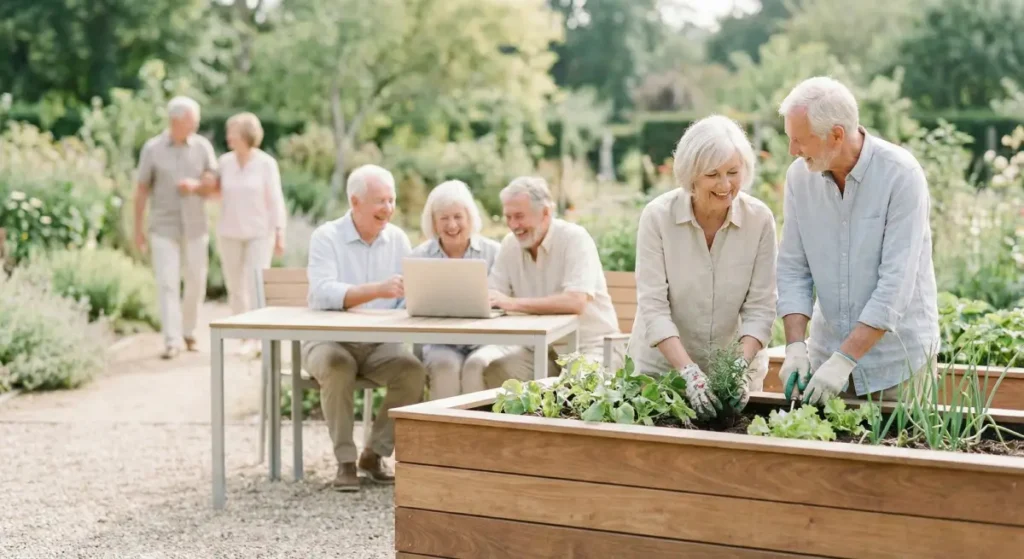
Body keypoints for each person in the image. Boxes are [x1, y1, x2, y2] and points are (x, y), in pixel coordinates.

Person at [775, 76, 939, 406]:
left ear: (836, 135)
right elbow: (794, 268)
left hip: (897, 367)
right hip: (823, 361)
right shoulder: (799, 178)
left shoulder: (900, 175)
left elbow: (895, 285)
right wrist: (795, 347)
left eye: (799, 140)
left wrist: (845, 359)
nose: (792, 151)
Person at [627, 115, 778, 420]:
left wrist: (738, 368)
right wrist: (689, 374)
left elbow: (761, 308)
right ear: (691, 175)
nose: (726, 185)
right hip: (661, 375)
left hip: (733, 380)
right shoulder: (658, 218)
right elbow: (653, 308)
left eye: (733, 172)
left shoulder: (759, 220)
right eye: (713, 174)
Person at [302, 164, 427, 491]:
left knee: (412, 371)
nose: (388, 209)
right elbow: (321, 292)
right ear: (355, 202)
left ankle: (374, 454)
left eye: (391, 200)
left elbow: (407, 296)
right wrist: (376, 290)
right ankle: (345, 461)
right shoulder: (327, 237)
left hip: (378, 344)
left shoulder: (398, 239)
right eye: (379, 201)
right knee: (337, 366)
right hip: (328, 341)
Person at [482, 176, 621, 388]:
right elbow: (493, 295)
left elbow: (576, 301)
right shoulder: (510, 245)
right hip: (543, 351)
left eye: (519, 216)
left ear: (546, 213)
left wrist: (512, 303)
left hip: (591, 348)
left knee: (573, 387)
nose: (513, 225)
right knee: (496, 370)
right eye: (508, 217)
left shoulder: (574, 238)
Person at [134, 96, 218, 359]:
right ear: (176, 121)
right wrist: (137, 229)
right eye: (192, 121)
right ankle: (172, 340)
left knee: (195, 281)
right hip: (163, 226)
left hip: (195, 226)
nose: (196, 125)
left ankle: (189, 332)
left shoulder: (202, 147)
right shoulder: (153, 148)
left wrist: (197, 185)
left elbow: (213, 184)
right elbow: (141, 190)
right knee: (167, 283)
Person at [408, 180, 501, 399]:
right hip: (440, 342)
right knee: (444, 367)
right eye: (444, 218)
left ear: (470, 218)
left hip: (485, 340)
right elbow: (409, 306)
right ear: (433, 222)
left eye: (458, 217)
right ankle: (443, 433)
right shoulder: (419, 257)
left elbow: (505, 299)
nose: (452, 225)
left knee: (477, 366)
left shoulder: (494, 252)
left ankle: (477, 432)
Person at [211, 112, 288, 354]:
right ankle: (244, 336)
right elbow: (214, 192)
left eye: (231, 132)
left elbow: (275, 199)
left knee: (255, 284)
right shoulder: (224, 162)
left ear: (245, 135)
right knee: (235, 286)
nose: (228, 137)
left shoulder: (265, 163)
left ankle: (258, 339)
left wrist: (279, 231)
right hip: (229, 232)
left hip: (258, 232)